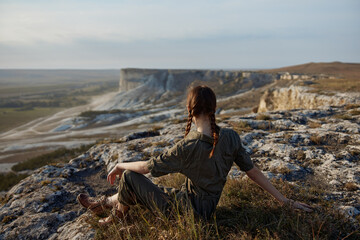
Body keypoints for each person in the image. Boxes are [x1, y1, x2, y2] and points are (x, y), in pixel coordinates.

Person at [77, 85, 313, 225]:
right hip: (203, 209)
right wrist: (284, 200)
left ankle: (115, 218)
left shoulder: (187, 146)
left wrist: (120, 165)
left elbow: (148, 167)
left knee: (129, 178)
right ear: (214, 109)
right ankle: (104, 204)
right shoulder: (230, 137)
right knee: (160, 191)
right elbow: (253, 172)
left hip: (187, 213)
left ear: (189, 110)